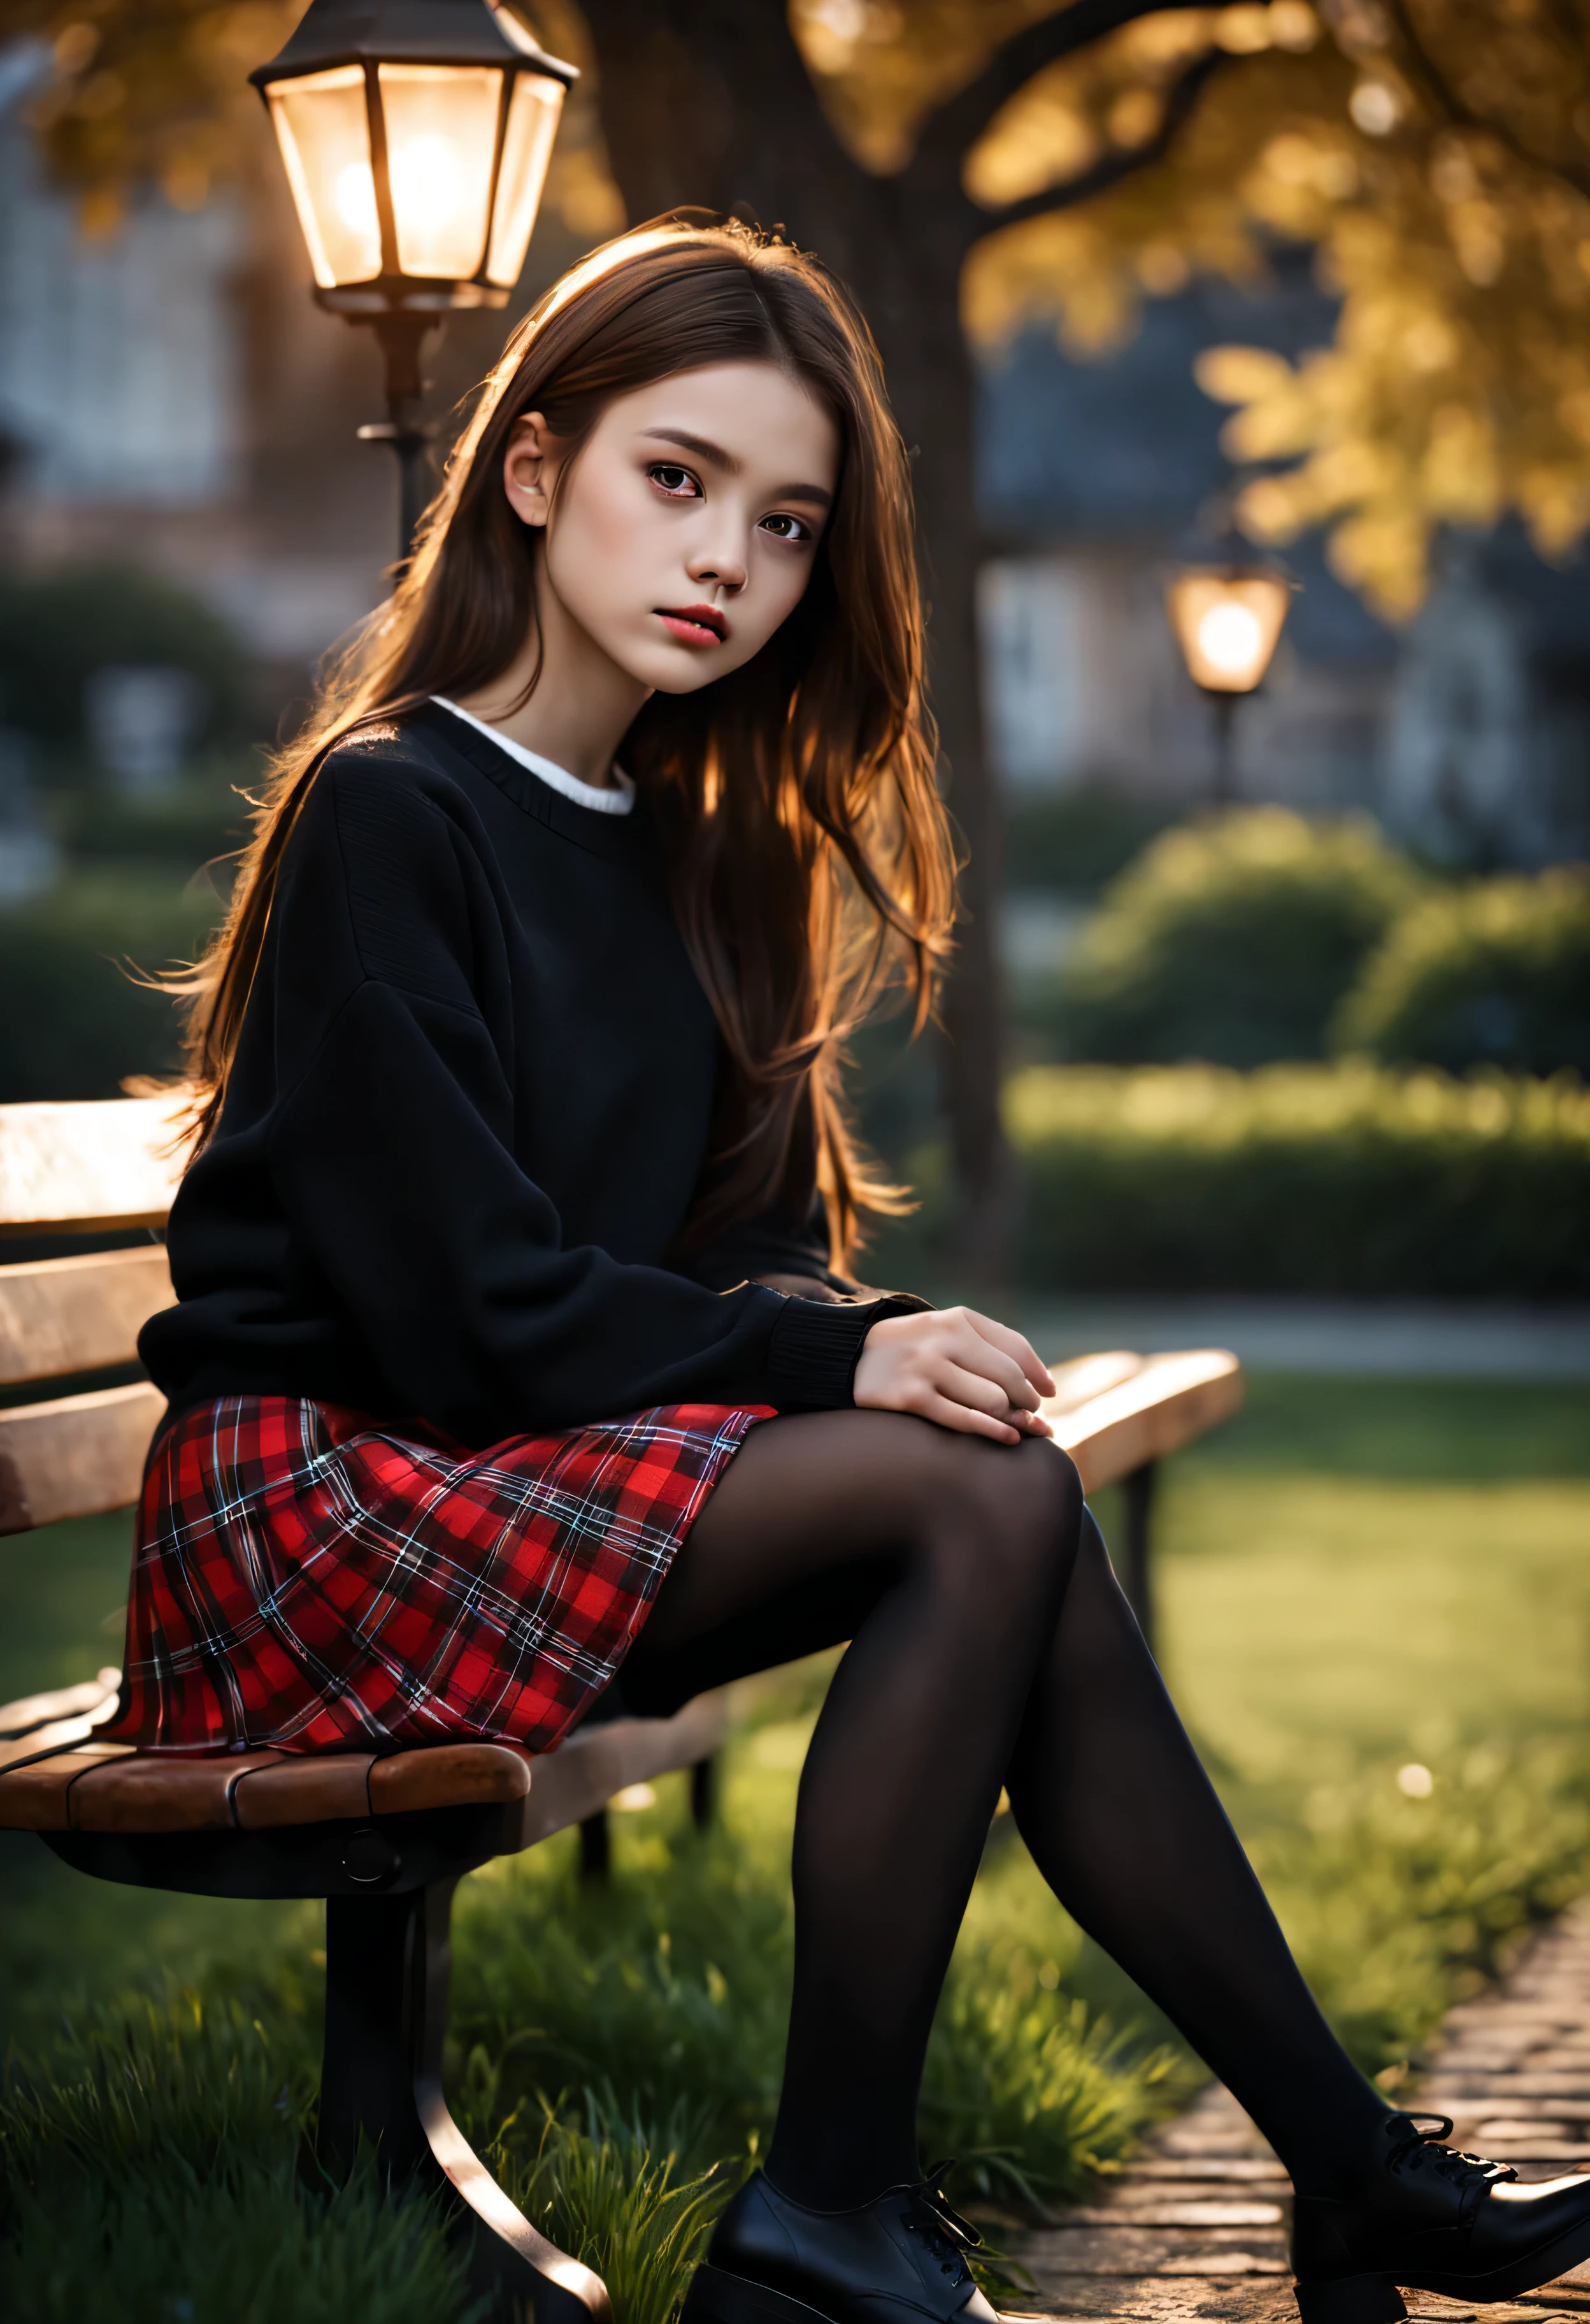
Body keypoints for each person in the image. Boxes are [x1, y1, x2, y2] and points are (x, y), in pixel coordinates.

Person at [113, 219, 1590, 2324]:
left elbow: (726, 1250)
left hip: (501, 1464)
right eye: (676, 477)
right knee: (980, 1497)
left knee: (1006, 1499)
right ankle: (888, 2203)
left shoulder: (700, 845)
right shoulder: (391, 811)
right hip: (317, 1505)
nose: (728, 558)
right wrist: (836, 1376)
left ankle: (1168, 2186)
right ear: (534, 472)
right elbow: (465, 1305)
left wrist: (876, 1334)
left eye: (787, 523)